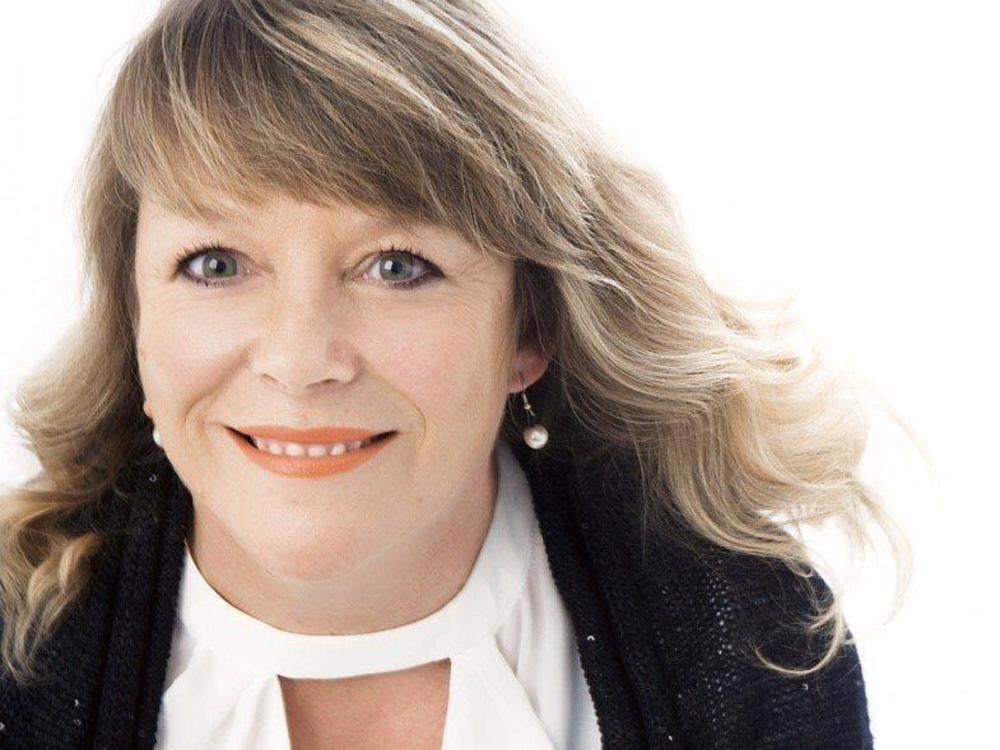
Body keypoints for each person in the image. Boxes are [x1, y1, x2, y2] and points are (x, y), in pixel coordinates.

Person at [0, 0, 913, 748]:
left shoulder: (750, 644)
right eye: (216, 264)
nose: (300, 360)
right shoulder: (15, 654)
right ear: (136, 318)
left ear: (530, 326)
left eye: (397, 266)